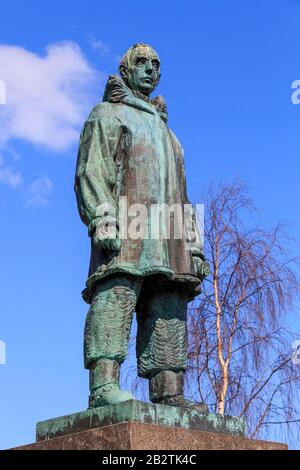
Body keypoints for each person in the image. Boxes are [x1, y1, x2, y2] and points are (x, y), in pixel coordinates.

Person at [75, 43, 209, 409]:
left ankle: (169, 391)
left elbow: (182, 194)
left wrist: (194, 245)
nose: (150, 69)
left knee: (167, 304)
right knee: (116, 296)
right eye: (142, 63)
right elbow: (92, 169)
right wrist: (102, 215)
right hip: (126, 229)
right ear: (126, 69)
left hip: (168, 237)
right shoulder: (107, 114)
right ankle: (103, 387)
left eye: (156, 64)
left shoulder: (169, 134)